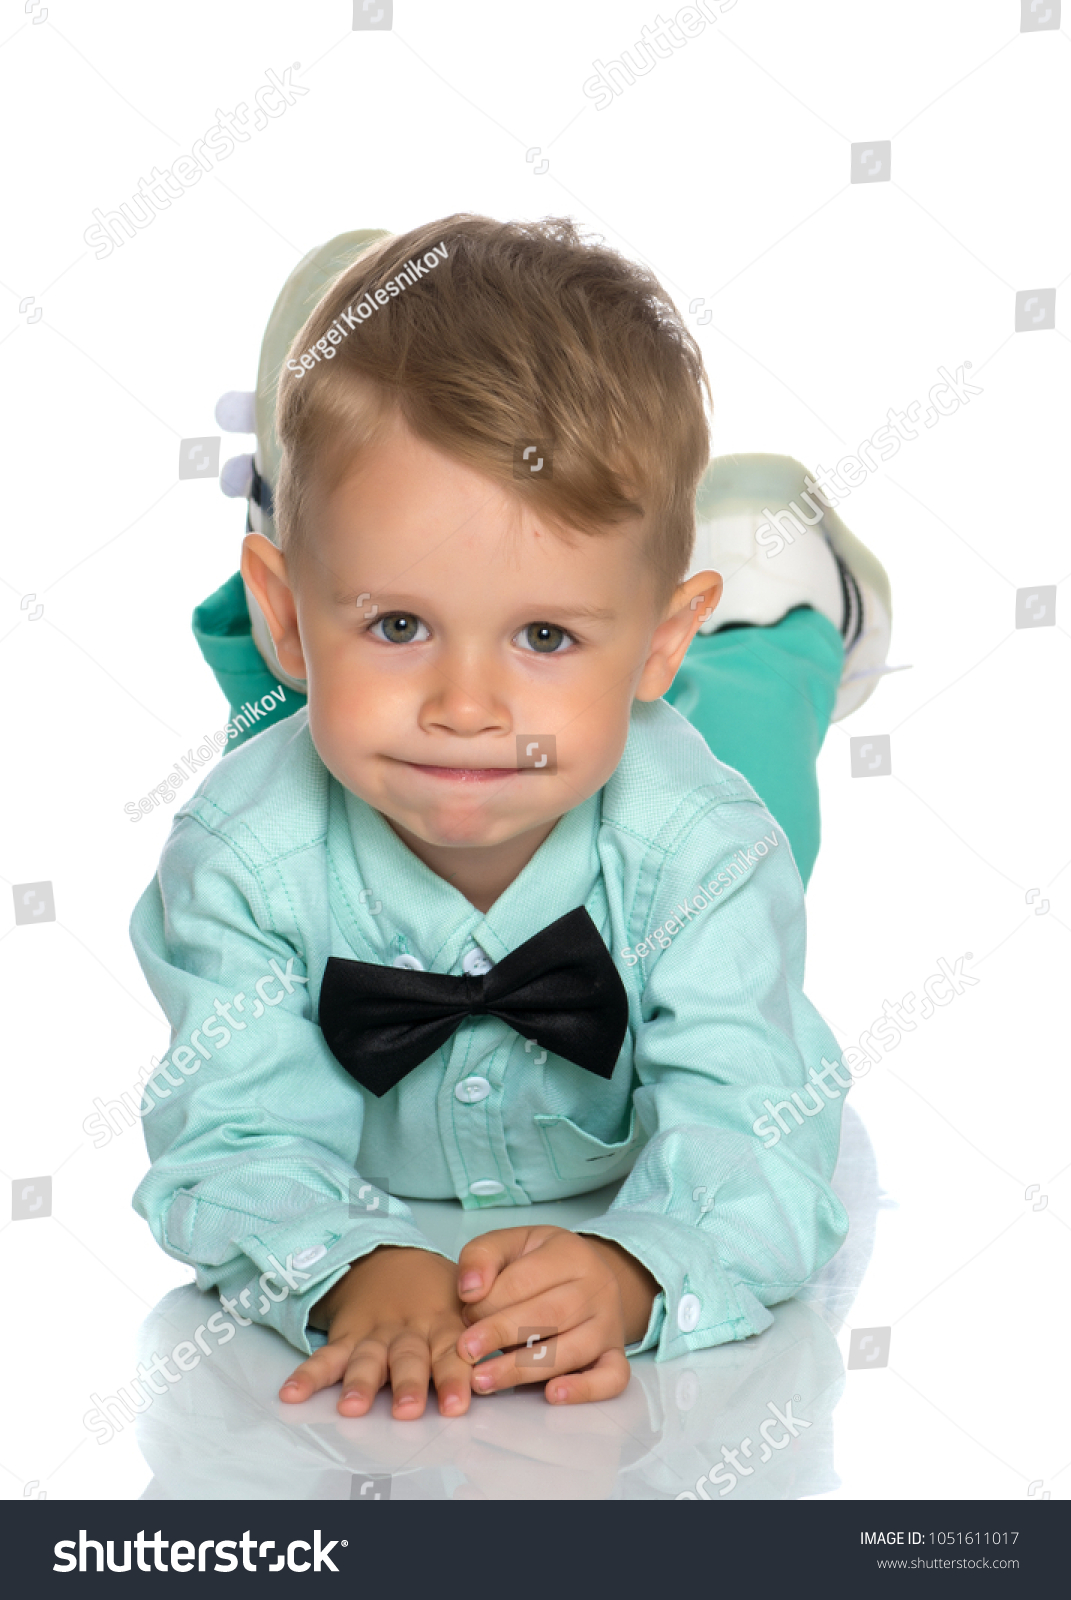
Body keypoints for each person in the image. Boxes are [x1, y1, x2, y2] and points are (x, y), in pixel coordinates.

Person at [129, 213, 893, 1420]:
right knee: (284, 737)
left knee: (753, 719)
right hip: (337, 746)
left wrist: (646, 1268)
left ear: (655, 639)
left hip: (654, 787)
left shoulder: (705, 850)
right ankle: (316, 496)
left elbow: (764, 1132)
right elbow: (229, 1136)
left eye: (544, 635)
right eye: (401, 624)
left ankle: (775, 575)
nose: (468, 708)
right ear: (298, 603)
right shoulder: (241, 861)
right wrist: (345, 1266)